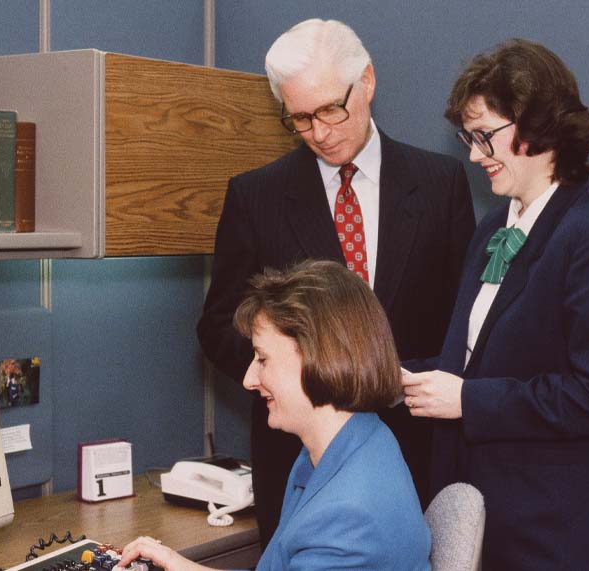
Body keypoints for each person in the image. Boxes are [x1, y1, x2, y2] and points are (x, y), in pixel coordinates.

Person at [196, 17, 474, 545]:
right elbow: (217, 327)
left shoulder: (441, 184)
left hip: (413, 449)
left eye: (330, 109)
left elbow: (463, 329)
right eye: (299, 119)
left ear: (366, 81)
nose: (320, 132)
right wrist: (301, 380)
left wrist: (397, 380)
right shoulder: (256, 196)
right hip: (298, 463)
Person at [401, 39, 589, 569]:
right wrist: (388, 375)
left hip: (551, 538)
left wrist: (469, 400)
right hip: (476, 524)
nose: (473, 155)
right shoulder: (493, 228)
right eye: (468, 138)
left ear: (540, 126)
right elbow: (468, 366)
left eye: (485, 136)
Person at [121, 260, 431, 571]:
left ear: (318, 356)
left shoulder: (347, 520)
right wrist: (179, 565)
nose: (248, 379)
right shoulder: (357, 441)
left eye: (262, 358)